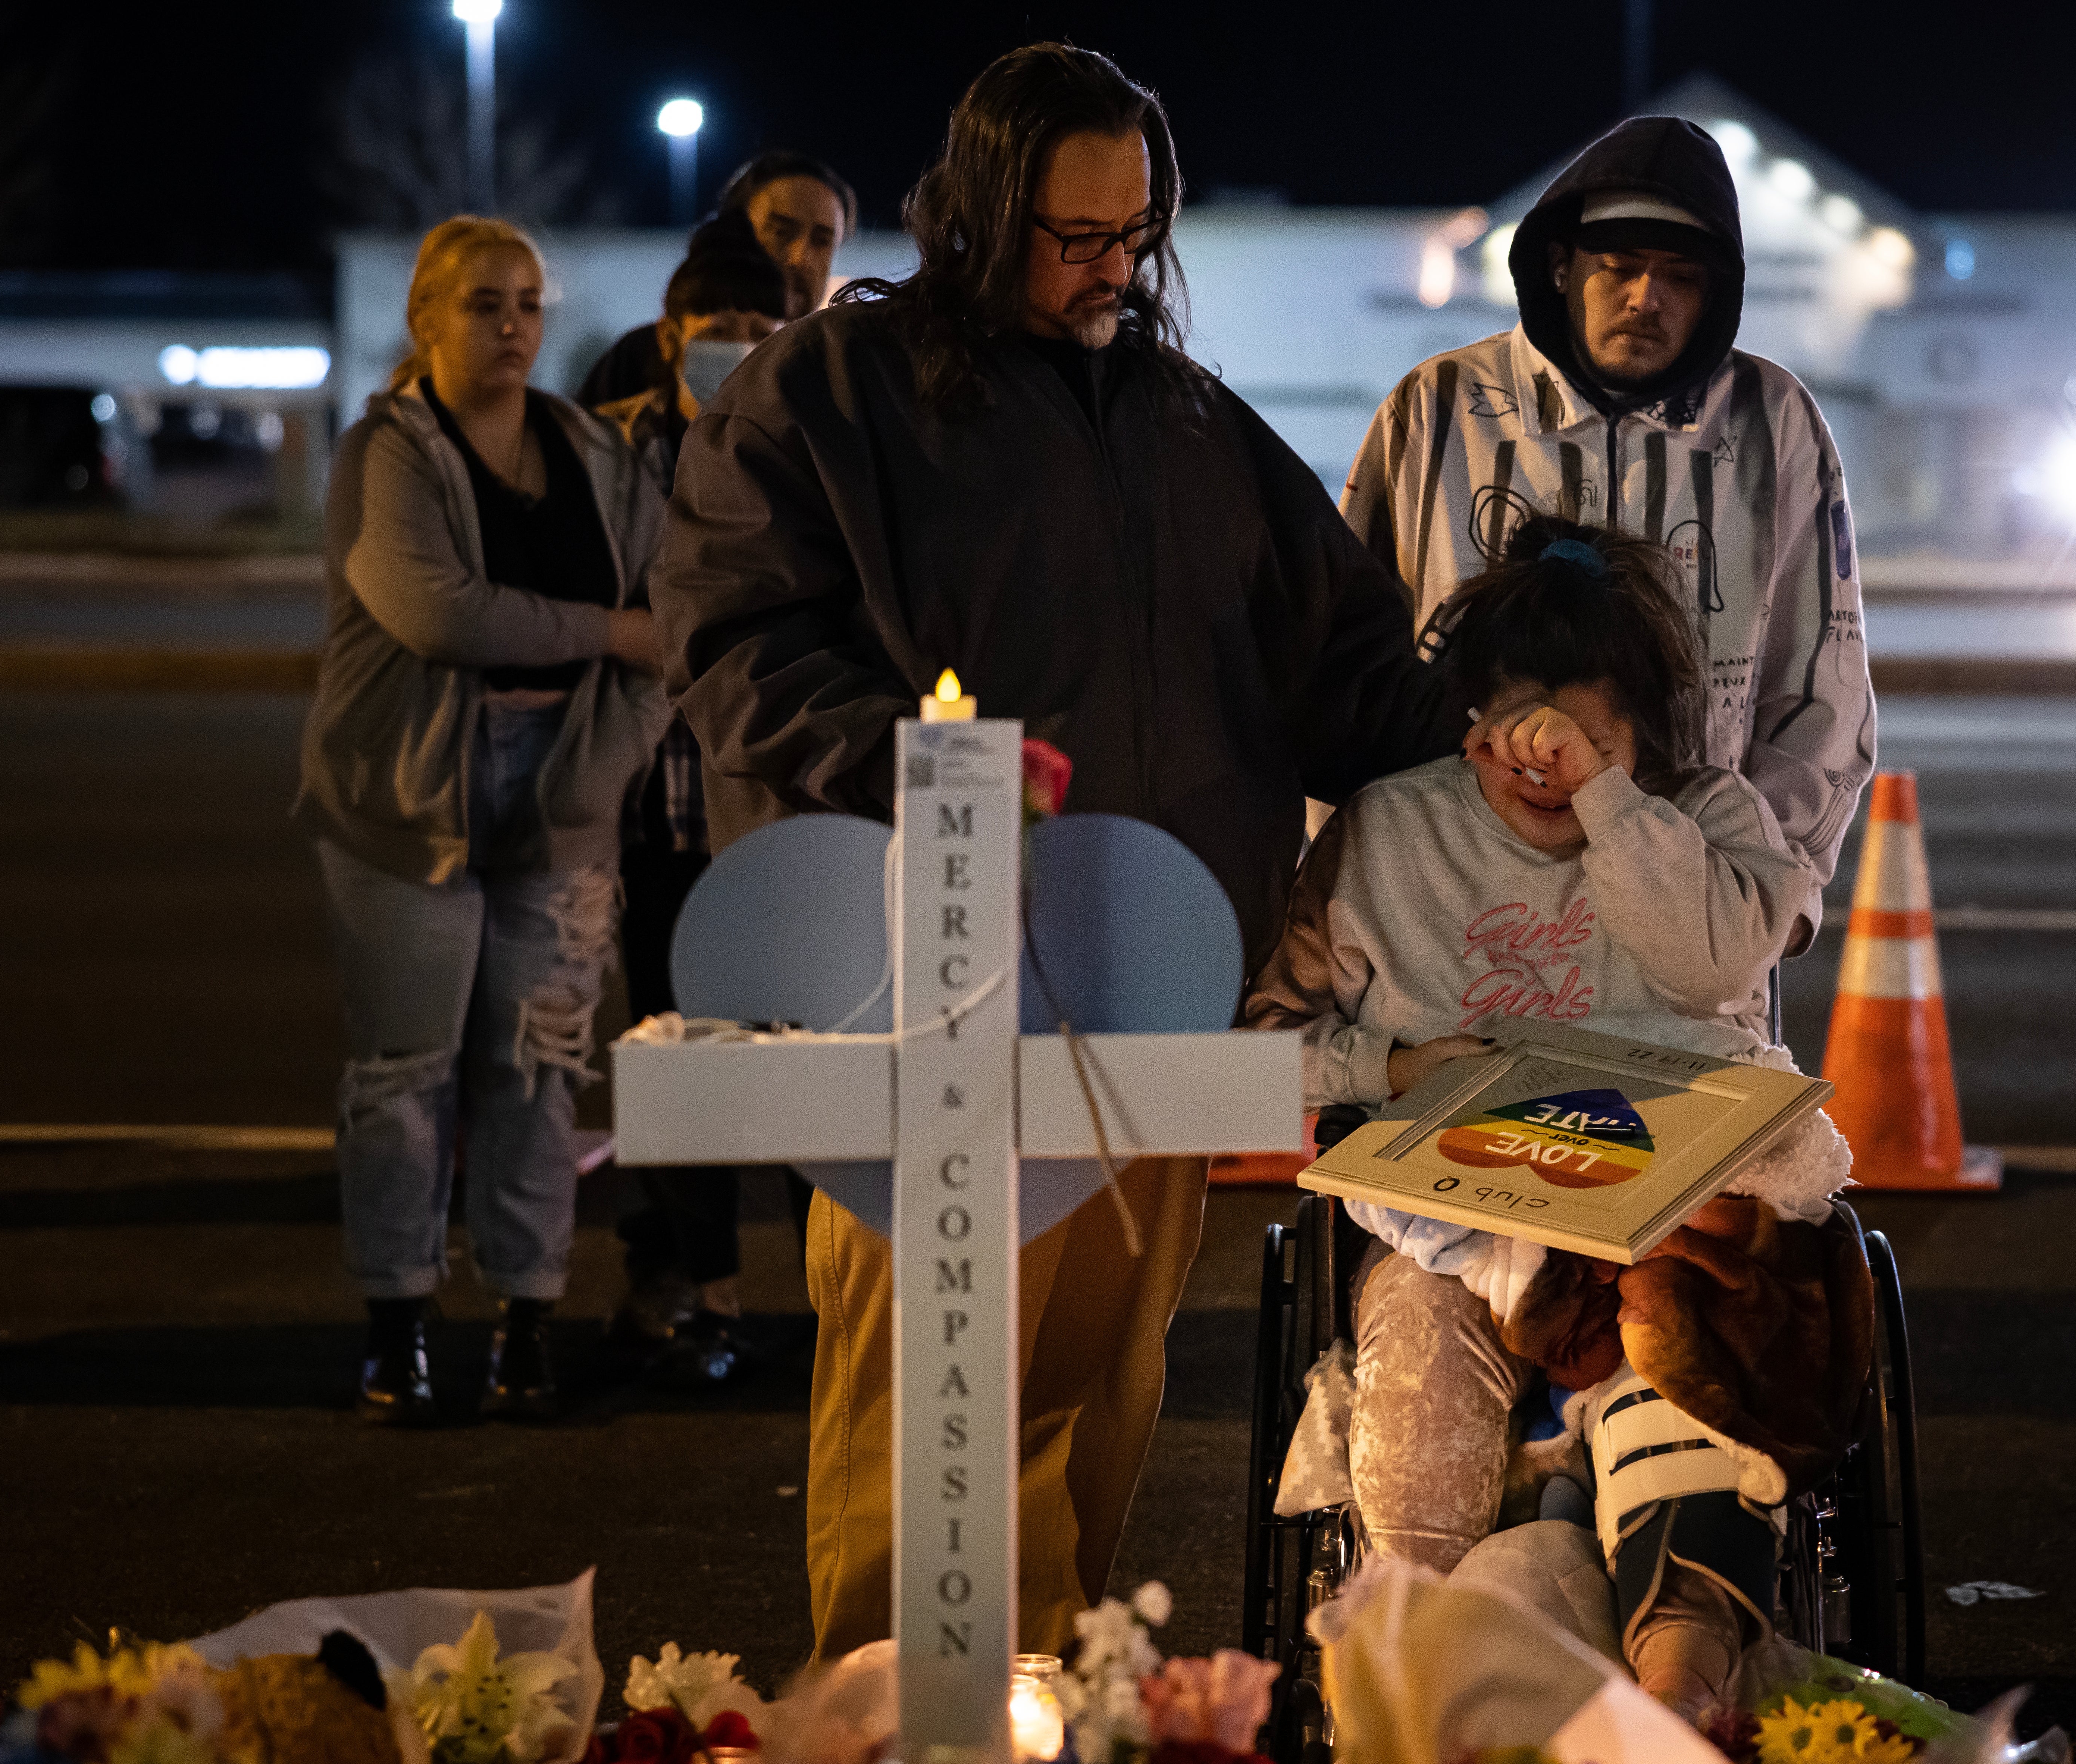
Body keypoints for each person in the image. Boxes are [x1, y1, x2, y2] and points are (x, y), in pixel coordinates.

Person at [653, 43, 1457, 1659]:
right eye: (1074, 236)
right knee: (926, 1411)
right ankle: (886, 1734)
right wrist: (925, 764)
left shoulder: (1193, 428)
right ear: (975, 213)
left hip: (1156, 1000)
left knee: (1097, 1392)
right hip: (923, 993)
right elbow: (734, 648)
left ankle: (1038, 1714)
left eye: (1134, 236)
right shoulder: (831, 392)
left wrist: (1521, 715)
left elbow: (1350, 672)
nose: (1110, 270)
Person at [1244, 513, 1868, 1718]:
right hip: (1456, 1221)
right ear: (1465, 720)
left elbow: (1696, 970)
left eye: (1579, 738)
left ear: (1640, 732)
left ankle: (1680, 1696)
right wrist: (1392, 1062)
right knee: (1420, 1346)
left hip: (1666, 1214)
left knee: (1683, 1322)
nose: (1534, 768)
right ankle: (1418, 1704)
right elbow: (1262, 1048)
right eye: (1505, 735)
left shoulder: (1711, 815)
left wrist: (1613, 806)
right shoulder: (1387, 830)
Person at [298, 215, 669, 1428]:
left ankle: (524, 1319)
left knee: (535, 1069)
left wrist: (600, 772)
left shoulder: (592, 453)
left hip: (559, 787)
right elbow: (440, 614)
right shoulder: (385, 451)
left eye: (526, 305)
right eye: (481, 305)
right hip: (407, 797)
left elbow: (668, 622)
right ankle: (396, 1324)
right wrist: (603, 631)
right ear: (424, 320)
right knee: (404, 1073)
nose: (510, 326)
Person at [1342, 115, 1875, 954]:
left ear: (1716, 293)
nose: (1645, 299)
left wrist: (1764, 894)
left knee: (1680, 1091)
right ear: (1561, 267)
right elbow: (1352, 664)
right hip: (1455, 908)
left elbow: (1821, 686)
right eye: (1619, 268)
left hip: (1688, 903)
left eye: (1679, 277)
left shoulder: (1775, 425)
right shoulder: (1436, 410)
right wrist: (1357, 875)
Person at [595, 211, 791, 1379]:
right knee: (684, 1054)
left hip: (768, 816)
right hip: (653, 808)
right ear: (672, 331)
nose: (737, 343)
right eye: (718, 325)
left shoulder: (804, 442)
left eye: (758, 325)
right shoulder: (616, 453)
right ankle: (708, 1296)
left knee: (806, 1056)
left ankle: (837, 1294)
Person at [577, 151, 856, 408]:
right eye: (782, 232)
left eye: (822, 242)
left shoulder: (840, 375)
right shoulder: (639, 361)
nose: (801, 259)